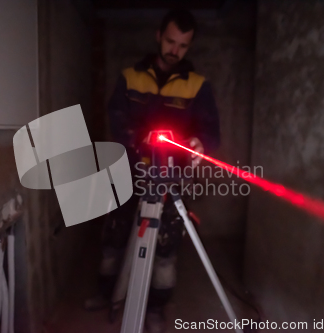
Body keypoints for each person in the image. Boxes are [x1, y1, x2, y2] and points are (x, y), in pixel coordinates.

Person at [85, 9, 220, 333]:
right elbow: (116, 118)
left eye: (183, 46)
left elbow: (211, 131)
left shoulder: (197, 86)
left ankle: (156, 308)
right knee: (114, 238)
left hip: (173, 178)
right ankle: (107, 295)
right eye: (171, 41)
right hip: (129, 173)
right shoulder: (130, 77)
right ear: (159, 36)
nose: (175, 50)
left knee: (165, 249)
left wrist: (200, 144)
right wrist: (137, 139)